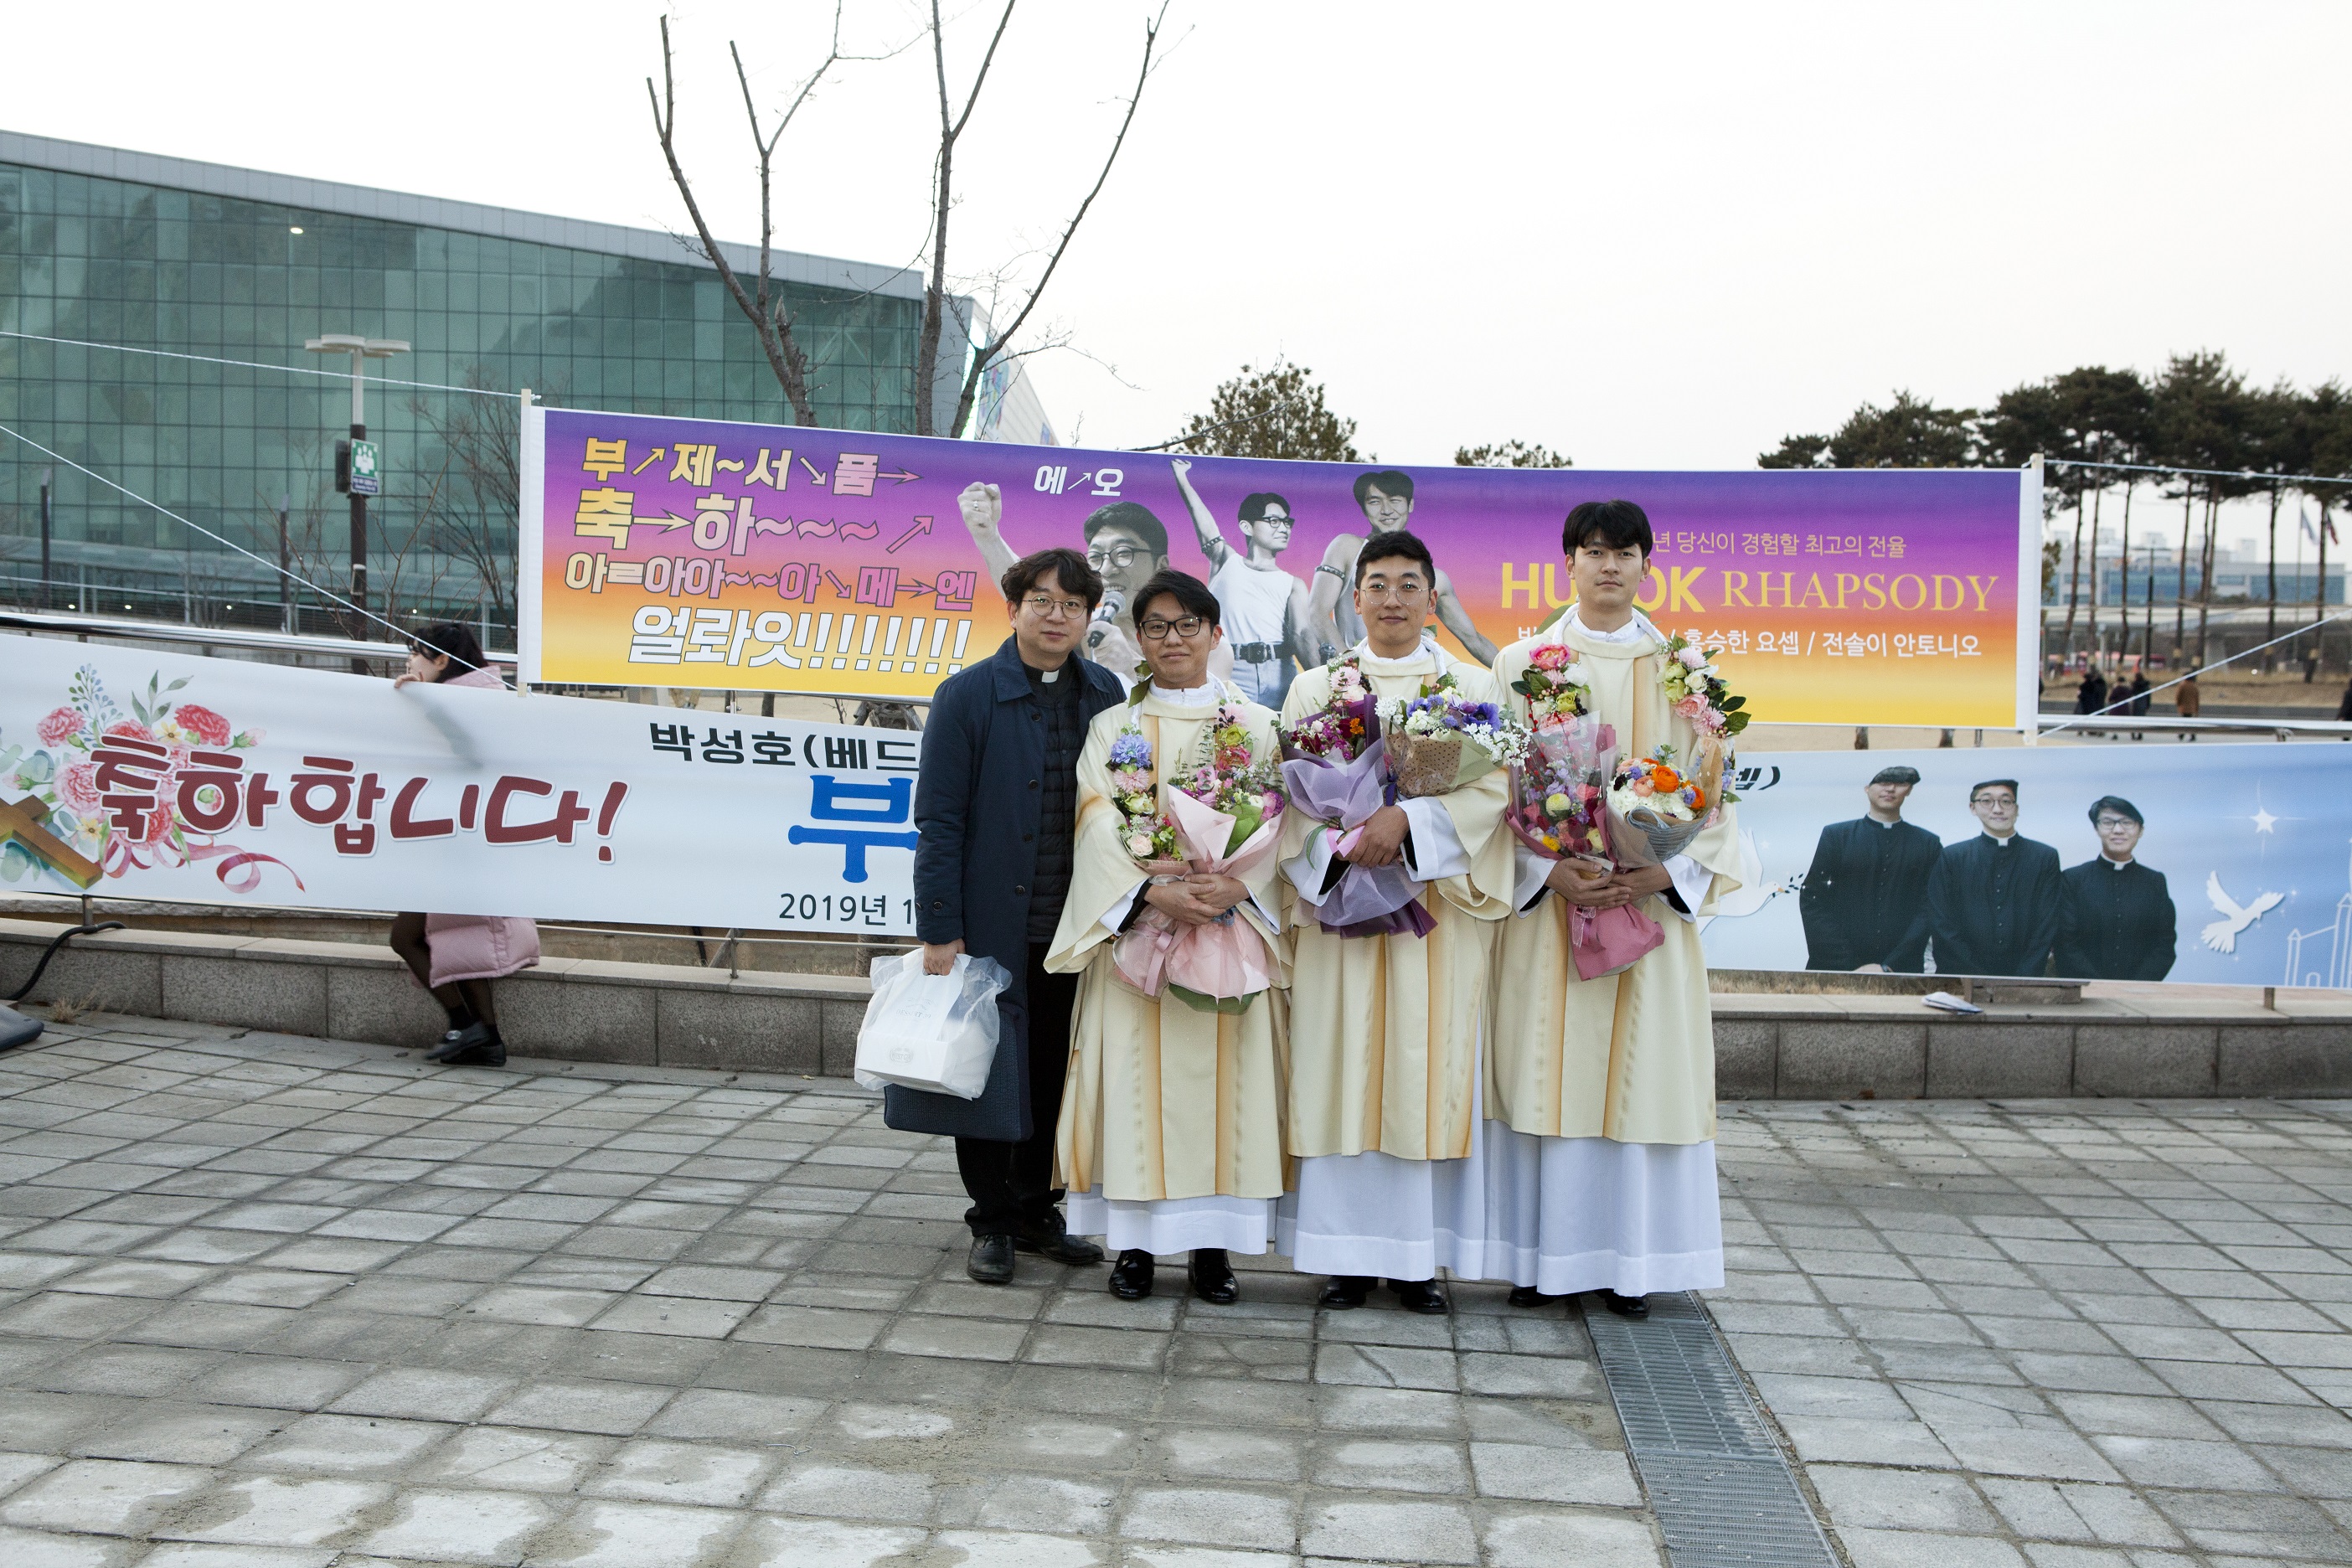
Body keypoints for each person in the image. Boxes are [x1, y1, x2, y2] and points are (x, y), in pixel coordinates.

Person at [1480, 499, 1739, 1319]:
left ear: (1647, 566)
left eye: (1626, 553)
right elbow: (1491, 791)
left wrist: (1665, 874)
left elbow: (1718, 796)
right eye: (1594, 551)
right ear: (1569, 562)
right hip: (1554, 910)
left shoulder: (1689, 674)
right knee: (1546, 1072)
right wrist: (1546, 871)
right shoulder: (1522, 664)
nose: (1610, 566)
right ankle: (1538, 1260)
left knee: (1640, 1078)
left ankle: (1632, 1265)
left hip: (1649, 914)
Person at [1277, 529, 1514, 1313]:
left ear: (1432, 598)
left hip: (1433, 916)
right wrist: (1347, 844)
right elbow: (1287, 799)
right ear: (1355, 598)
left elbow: (1494, 791)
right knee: (1339, 1063)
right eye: (1377, 584)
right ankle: (1343, 1257)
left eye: (1409, 584)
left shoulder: (1470, 687)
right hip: (1342, 911)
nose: (1392, 599)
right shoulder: (1317, 689)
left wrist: (1408, 821)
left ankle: (1419, 1259)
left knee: (1424, 1064)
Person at [1047, 570, 1288, 1304]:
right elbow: (1095, 819)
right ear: (1139, 639)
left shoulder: (1258, 726)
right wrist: (1150, 891)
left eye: (1188, 625)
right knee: (1134, 1093)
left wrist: (1240, 884)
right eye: (1156, 626)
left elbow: (1290, 826)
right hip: (1138, 939)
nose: (1173, 639)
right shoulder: (1112, 728)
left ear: (1215, 634)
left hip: (1229, 935)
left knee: (1225, 1096)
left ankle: (1214, 1251)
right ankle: (1136, 1249)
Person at [910, 547, 1125, 1285]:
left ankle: (1039, 1210)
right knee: (988, 1073)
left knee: (1057, 1074)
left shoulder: (1106, 693)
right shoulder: (966, 696)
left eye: (1073, 605)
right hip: (993, 925)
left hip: (1078, 925)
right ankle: (993, 1220)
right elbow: (938, 820)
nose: (1057, 616)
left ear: (1088, 616)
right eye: (1042, 601)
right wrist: (940, 927)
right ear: (1013, 608)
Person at [387, 624, 539, 1069]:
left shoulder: (468, 702)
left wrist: (426, 703)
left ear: (442, 660)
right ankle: (484, 1037)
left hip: (462, 840)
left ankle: (465, 1025)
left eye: (417, 654)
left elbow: (469, 751)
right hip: (465, 840)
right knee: (463, 938)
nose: (410, 661)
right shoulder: (478, 695)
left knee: (408, 937)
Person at [956, 482, 1231, 689]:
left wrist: (1132, 669)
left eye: (1124, 553)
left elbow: (1204, 711)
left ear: (1161, 565)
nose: (1108, 569)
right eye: (1097, 557)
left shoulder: (1199, 639)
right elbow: (1030, 589)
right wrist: (988, 536)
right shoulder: (1086, 626)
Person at [1307, 470, 1499, 666]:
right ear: (1364, 509)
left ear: (1410, 504)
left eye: (1395, 500)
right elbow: (1317, 612)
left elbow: (1473, 639)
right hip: (1355, 676)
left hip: (1410, 677)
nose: (1386, 510)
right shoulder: (1346, 548)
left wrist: (1512, 676)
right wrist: (1353, 671)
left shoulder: (1435, 578)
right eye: (1375, 502)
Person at [1170, 458, 1315, 709]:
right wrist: (1182, 477)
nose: (1284, 528)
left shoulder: (1294, 584)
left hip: (1280, 673)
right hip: (1230, 669)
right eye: (1274, 521)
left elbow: (1302, 635)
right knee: (1226, 733)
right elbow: (1203, 522)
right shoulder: (1226, 560)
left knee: (1281, 734)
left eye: (1286, 522)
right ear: (1247, 527)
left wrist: (1326, 683)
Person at [1798, 766, 1941, 972]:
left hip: (1901, 968)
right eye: (1883, 782)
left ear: (1909, 790)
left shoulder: (1928, 843)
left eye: (1900, 784)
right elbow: (1813, 899)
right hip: (1836, 967)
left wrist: (1891, 965)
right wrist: (1848, 965)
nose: (1890, 789)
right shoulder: (1837, 836)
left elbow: (1929, 907)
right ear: (1867, 788)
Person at [1923, 780, 2063, 978]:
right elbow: (1941, 921)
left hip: (2026, 976)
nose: (1997, 809)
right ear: (1973, 808)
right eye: (1987, 801)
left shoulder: (2044, 857)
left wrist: (2025, 975)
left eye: (2006, 801)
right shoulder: (1953, 857)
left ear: (2016, 809)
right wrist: (1972, 974)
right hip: (1963, 975)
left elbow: (2047, 923)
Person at [2052, 797, 2176, 981]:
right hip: (2084, 990)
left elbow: (2164, 945)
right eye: (2108, 822)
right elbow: (2064, 943)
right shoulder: (2073, 879)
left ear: (2141, 830)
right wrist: (2096, 987)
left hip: (2139, 992)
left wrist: (2136, 988)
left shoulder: (2154, 882)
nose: (2118, 830)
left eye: (2127, 822)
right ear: (2096, 828)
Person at [2174, 673, 2200, 739]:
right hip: (2192, 707)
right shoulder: (2194, 686)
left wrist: (2178, 704)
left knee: (2185, 721)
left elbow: (2178, 696)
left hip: (2183, 707)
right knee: (2189, 721)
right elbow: (2197, 698)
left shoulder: (2182, 685)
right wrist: (2196, 708)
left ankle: (2183, 734)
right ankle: (2189, 734)